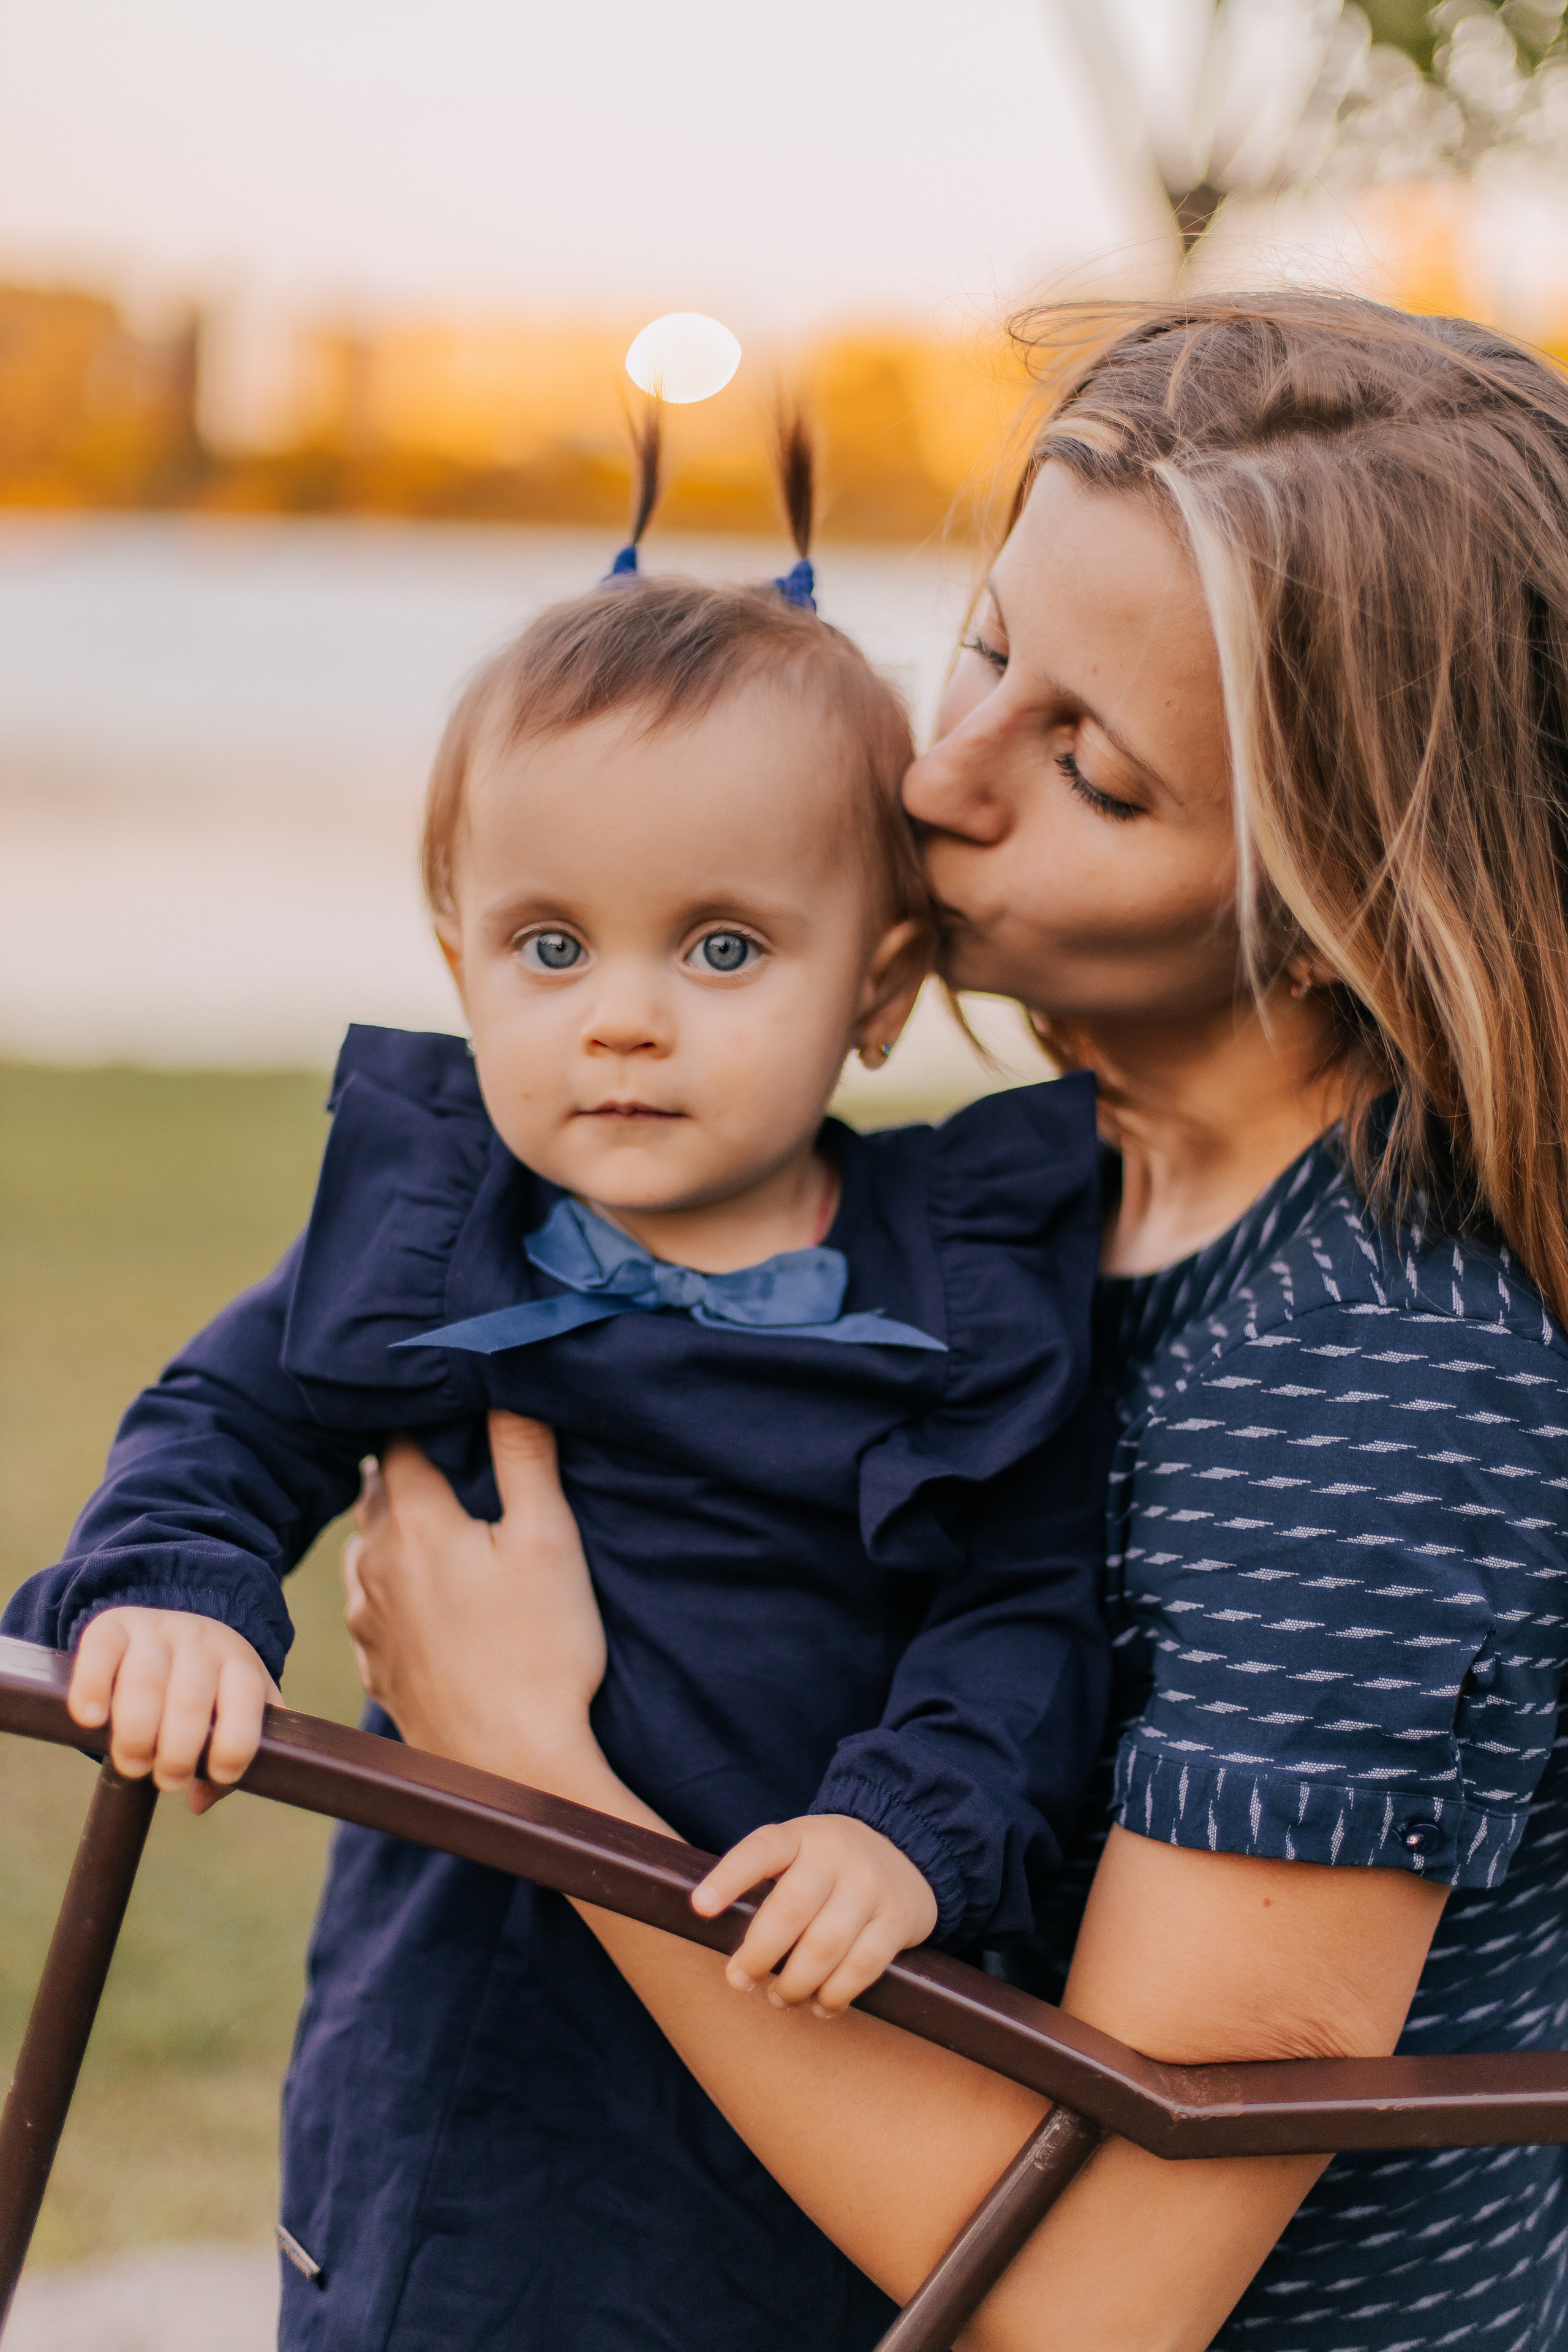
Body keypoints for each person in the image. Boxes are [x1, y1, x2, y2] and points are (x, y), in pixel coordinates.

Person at [340, 292, 1568, 2352]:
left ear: (1340, 905)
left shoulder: (1369, 1382)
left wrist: (533, 1771)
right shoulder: (1049, 1196)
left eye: (1091, 768)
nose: (939, 773)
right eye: (990, 650)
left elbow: (1095, 2300)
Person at [2, 431, 1112, 2352]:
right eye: (549, 945)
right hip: (471, 2041)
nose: (622, 1015)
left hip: (806, 2032)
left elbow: (1027, 1611)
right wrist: (176, 1595)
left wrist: (907, 1829)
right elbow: (224, 1423)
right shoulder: (437, 1245)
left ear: (877, 988)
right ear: (463, 963)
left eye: (723, 947)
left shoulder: (957, 1299)